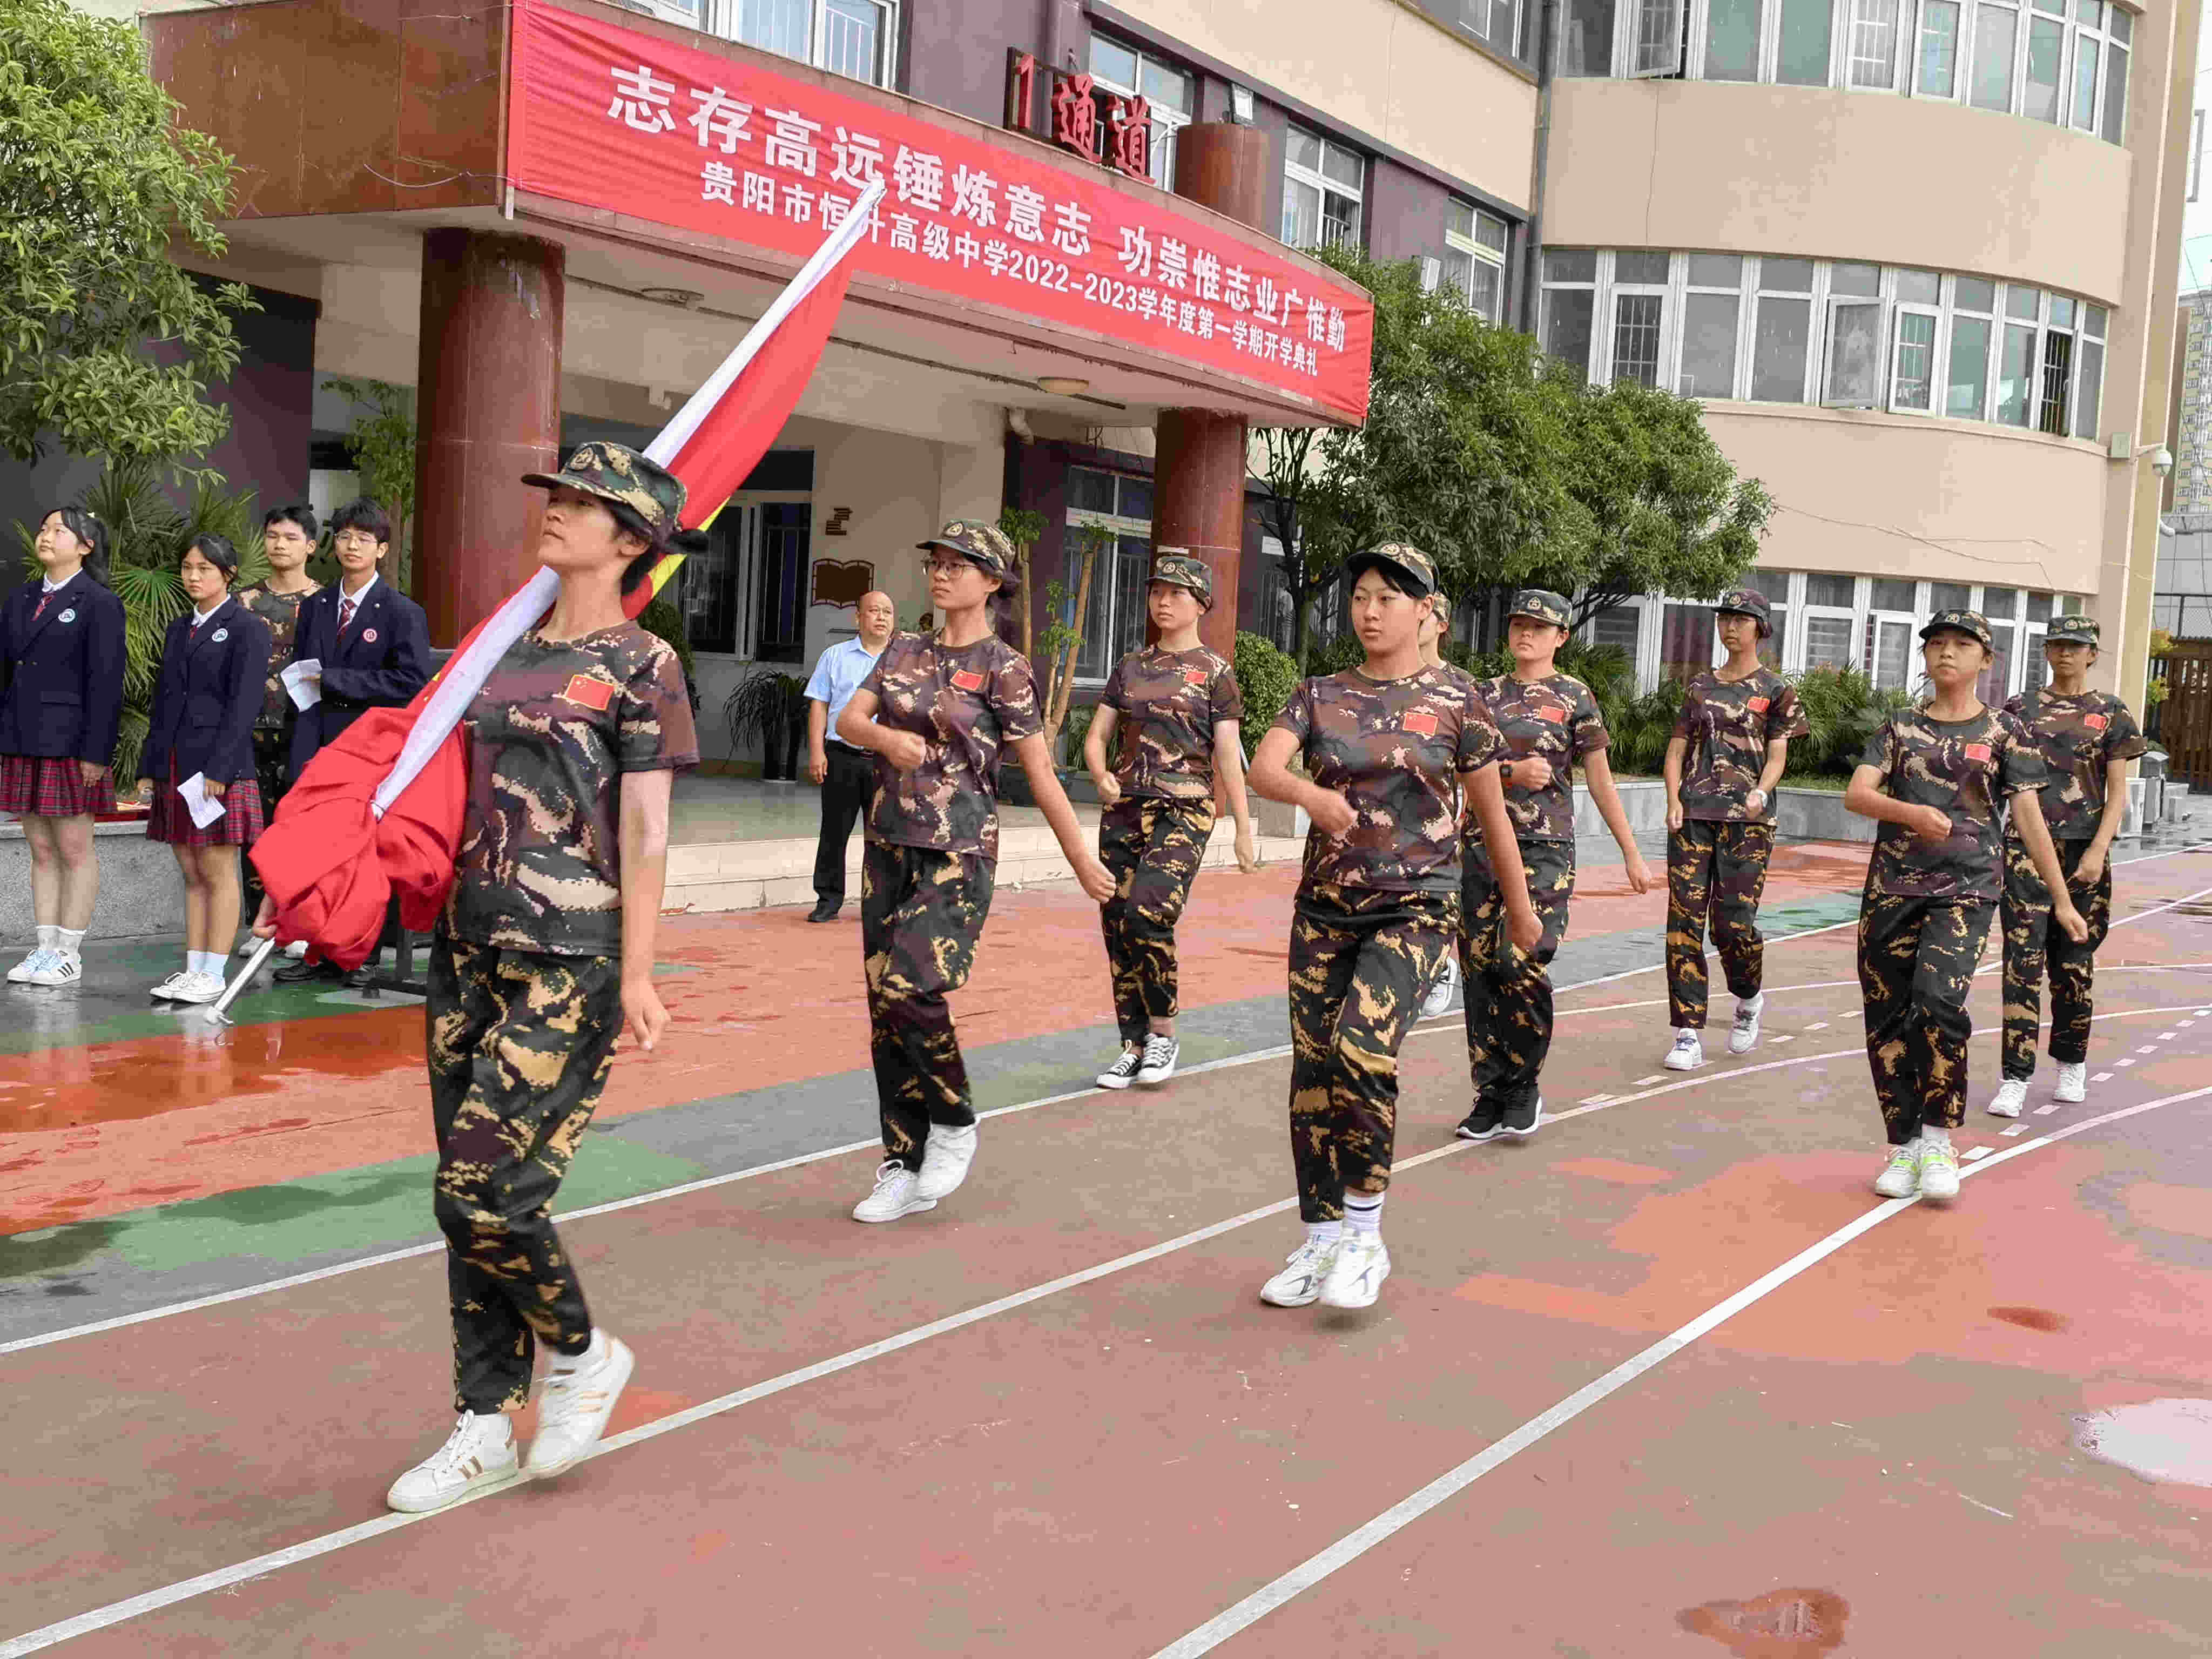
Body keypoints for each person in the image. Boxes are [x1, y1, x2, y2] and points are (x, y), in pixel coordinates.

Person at [285, 442, 700, 1513]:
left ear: (628, 539)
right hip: (469, 947)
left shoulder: (642, 663)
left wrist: (642, 971)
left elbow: (647, 829)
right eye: (555, 497)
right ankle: (480, 1424)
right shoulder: (497, 650)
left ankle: (581, 1354)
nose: (555, 513)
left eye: (581, 503)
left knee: (485, 1187)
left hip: (574, 955)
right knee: (461, 1204)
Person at [1247, 543, 1539, 1312]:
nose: (1370, 611)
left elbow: (1490, 811)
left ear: (1423, 610)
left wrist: (1519, 910)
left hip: (1415, 907)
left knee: (1360, 1048)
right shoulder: (1320, 693)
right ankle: (1319, 1242)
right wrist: (1311, 798)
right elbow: (1263, 769)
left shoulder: (1458, 699)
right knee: (1313, 1074)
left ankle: (1366, 1235)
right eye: (1361, 598)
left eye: (1387, 598)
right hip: (1325, 911)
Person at [837, 521, 1115, 1223]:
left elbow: (1040, 771)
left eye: (961, 564)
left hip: (959, 852)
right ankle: (902, 1161)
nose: (942, 572)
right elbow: (848, 720)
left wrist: (1082, 858)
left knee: (913, 988)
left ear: (993, 582)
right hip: (888, 846)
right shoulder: (902, 649)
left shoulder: (1004, 667)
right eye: (936, 561)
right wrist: (883, 737)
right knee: (885, 1010)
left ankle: (954, 1118)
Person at [1843, 610, 2085, 1204]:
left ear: (1985, 660)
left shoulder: (2004, 734)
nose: (1946, 654)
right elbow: (1858, 793)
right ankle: (1902, 1147)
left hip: (1967, 891)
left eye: (1961, 645)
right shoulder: (1898, 728)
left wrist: (2060, 899)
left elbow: (2028, 818)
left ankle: (1936, 1140)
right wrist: (1910, 814)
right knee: (1888, 1019)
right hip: (1891, 890)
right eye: (1937, 645)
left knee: (1937, 1001)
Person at [1458, 589, 1651, 1143]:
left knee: (1520, 960)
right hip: (1481, 848)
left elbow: (1600, 779)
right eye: (1518, 624)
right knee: (1478, 970)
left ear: (1561, 637)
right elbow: (1454, 771)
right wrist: (1509, 773)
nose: (1525, 634)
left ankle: (1522, 1084)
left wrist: (1630, 852)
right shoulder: (1481, 694)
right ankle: (1489, 1090)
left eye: (1539, 628)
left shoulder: (1574, 697)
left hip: (1544, 850)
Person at [1083, 550, 1258, 1089]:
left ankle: (1162, 1033)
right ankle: (1131, 1044)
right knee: (1116, 925)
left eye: (1176, 593)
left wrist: (1243, 828)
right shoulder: (1130, 666)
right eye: (1157, 591)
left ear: (1200, 604)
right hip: (1125, 808)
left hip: (1185, 808)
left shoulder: (1215, 674)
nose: (1163, 600)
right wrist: (1098, 774)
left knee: (1147, 914)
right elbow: (1097, 736)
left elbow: (1228, 754)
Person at [1987, 613, 2147, 1116]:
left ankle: (2071, 1063)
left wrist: (2100, 849)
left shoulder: (2111, 712)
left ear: (2093, 654)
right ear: (2046, 650)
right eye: (2056, 644)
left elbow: (2117, 791)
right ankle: (2015, 1076)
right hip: (2025, 851)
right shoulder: (2020, 708)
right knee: (2022, 963)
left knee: (2074, 964)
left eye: (2075, 647)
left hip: (2083, 851)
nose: (2065, 654)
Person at [276, 498, 431, 984]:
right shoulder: (316, 606)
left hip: (368, 747)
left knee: (362, 851)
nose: (352, 546)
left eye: (363, 539)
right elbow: (303, 679)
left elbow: (411, 683)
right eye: (344, 537)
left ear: (381, 549)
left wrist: (340, 681)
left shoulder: (402, 612)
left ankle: (363, 954)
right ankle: (316, 949)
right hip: (316, 738)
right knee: (316, 848)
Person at [1658, 588, 1808, 1070]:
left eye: (1742, 620)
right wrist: (1672, 800)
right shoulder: (1700, 685)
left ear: (1760, 629)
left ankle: (1748, 1000)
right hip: (1695, 814)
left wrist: (1761, 792)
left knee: (1734, 927)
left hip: (1749, 821)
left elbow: (1779, 753)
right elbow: (1678, 748)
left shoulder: (1776, 689)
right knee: (1683, 923)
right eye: (1725, 618)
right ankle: (1686, 1033)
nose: (1731, 627)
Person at [0, 508, 126, 987]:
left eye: (59, 530)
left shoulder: (99, 602)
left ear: (86, 546)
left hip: (71, 743)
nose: (46, 536)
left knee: (74, 848)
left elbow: (106, 683)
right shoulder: (21, 598)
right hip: (23, 736)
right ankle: (44, 946)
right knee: (40, 848)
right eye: (44, 528)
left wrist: (96, 752)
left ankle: (70, 951)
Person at [144, 535, 272, 1005]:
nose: (194, 577)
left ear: (228, 575)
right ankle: (194, 967)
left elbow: (243, 707)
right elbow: (164, 701)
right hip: (178, 764)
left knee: (218, 870)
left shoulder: (247, 628)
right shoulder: (180, 628)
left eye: (205, 569)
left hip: (220, 768)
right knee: (191, 871)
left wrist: (222, 768)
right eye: (188, 567)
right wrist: (151, 765)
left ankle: (215, 972)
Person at [233, 503, 322, 959]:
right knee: (255, 833)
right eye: (273, 536)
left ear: (310, 546)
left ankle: (299, 924)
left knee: (300, 832)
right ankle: (258, 926)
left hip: (303, 730)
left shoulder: (324, 602)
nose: (280, 545)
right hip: (249, 731)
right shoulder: (244, 601)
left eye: (290, 538)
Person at [802, 589, 896, 923]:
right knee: (834, 832)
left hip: (886, 762)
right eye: (874, 611)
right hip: (841, 757)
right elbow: (819, 704)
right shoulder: (835, 656)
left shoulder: (902, 661)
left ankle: (882, 903)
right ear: (858, 617)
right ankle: (828, 900)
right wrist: (817, 751)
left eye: (887, 611)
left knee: (885, 836)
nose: (881, 617)